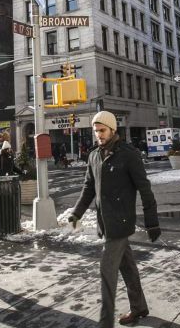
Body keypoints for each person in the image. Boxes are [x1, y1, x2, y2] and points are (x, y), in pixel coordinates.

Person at [68, 111, 161, 327]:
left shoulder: (129, 154)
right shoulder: (94, 156)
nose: (99, 135)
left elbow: (145, 189)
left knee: (106, 272)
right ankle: (139, 307)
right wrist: (77, 212)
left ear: (112, 130)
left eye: (102, 130)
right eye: (96, 131)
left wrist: (152, 222)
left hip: (121, 222)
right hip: (105, 222)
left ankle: (105, 322)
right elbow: (88, 188)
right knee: (127, 266)